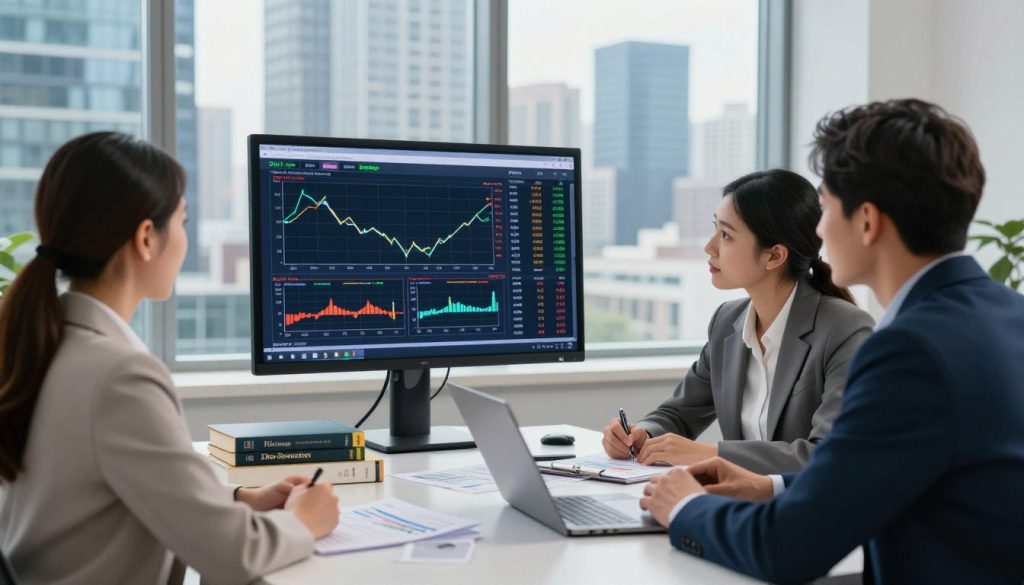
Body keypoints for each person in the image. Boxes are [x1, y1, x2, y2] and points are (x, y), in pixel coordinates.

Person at [640, 99, 1024, 584]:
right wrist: (774, 485)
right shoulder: (1010, 315)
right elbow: (898, 475)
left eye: (826, 206)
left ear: (867, 220)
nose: (818, 229)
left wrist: (685, 509)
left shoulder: (908, 351)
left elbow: (786, 547)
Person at [0, 133, 340, 585]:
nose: (184, 239)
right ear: (146, 238)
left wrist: (239, 500)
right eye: (181, 221)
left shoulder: (46, 340)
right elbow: (235, 555)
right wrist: (303, 521)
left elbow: (103, 494)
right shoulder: (119, 377)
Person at [602, 169, 874, 473]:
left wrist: (710, 455)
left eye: (726, 235)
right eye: (715, 229)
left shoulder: (846, 329)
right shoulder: (727, 322)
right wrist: (643, 433)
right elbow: (679, 414)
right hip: (741, 504)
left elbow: (827, 453)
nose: (710, 246)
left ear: (774, 256)